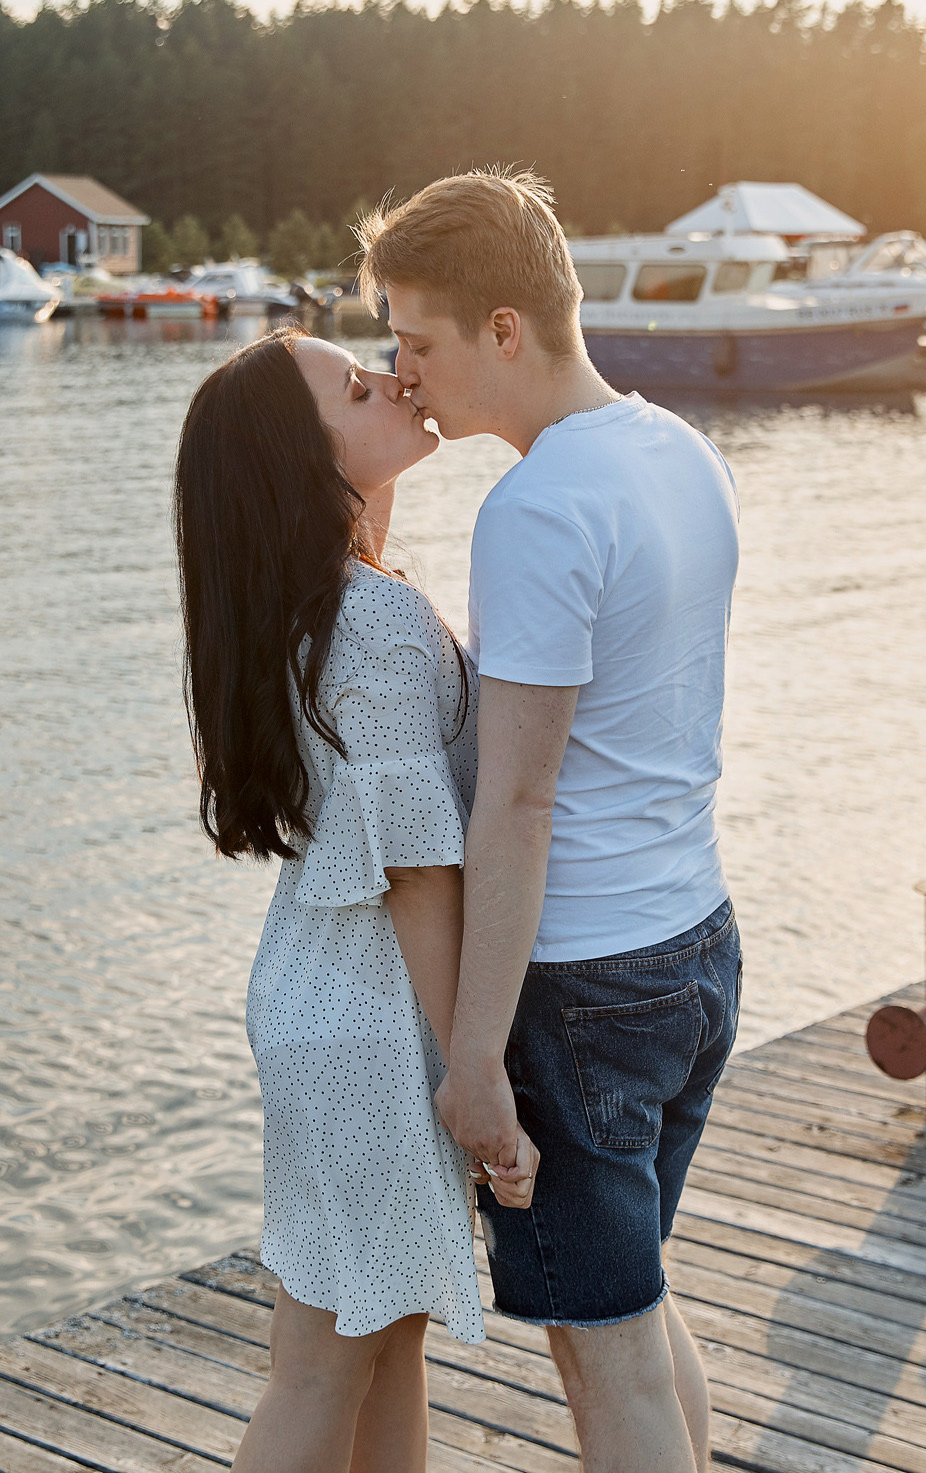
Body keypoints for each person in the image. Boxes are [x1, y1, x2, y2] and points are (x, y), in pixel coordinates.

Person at [359, 171, 742, 1473]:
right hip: (695, 943)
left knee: (605, 1350)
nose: (402, 373)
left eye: (419, 341)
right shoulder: (679, 451)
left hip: (582, 986)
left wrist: (474, 1056)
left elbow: (518, 801)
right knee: (634, 1304)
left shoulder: (536, 508)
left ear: (505, 329)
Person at [175, 330, 540, 1473]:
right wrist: (469, 1074)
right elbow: (421, 875)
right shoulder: (371, 622)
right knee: (331, 1360)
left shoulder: (314, 607)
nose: (392, 379)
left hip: (318, 1000)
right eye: (356, 386)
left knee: (380, 1344)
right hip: (379, 1028)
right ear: (306, 460)